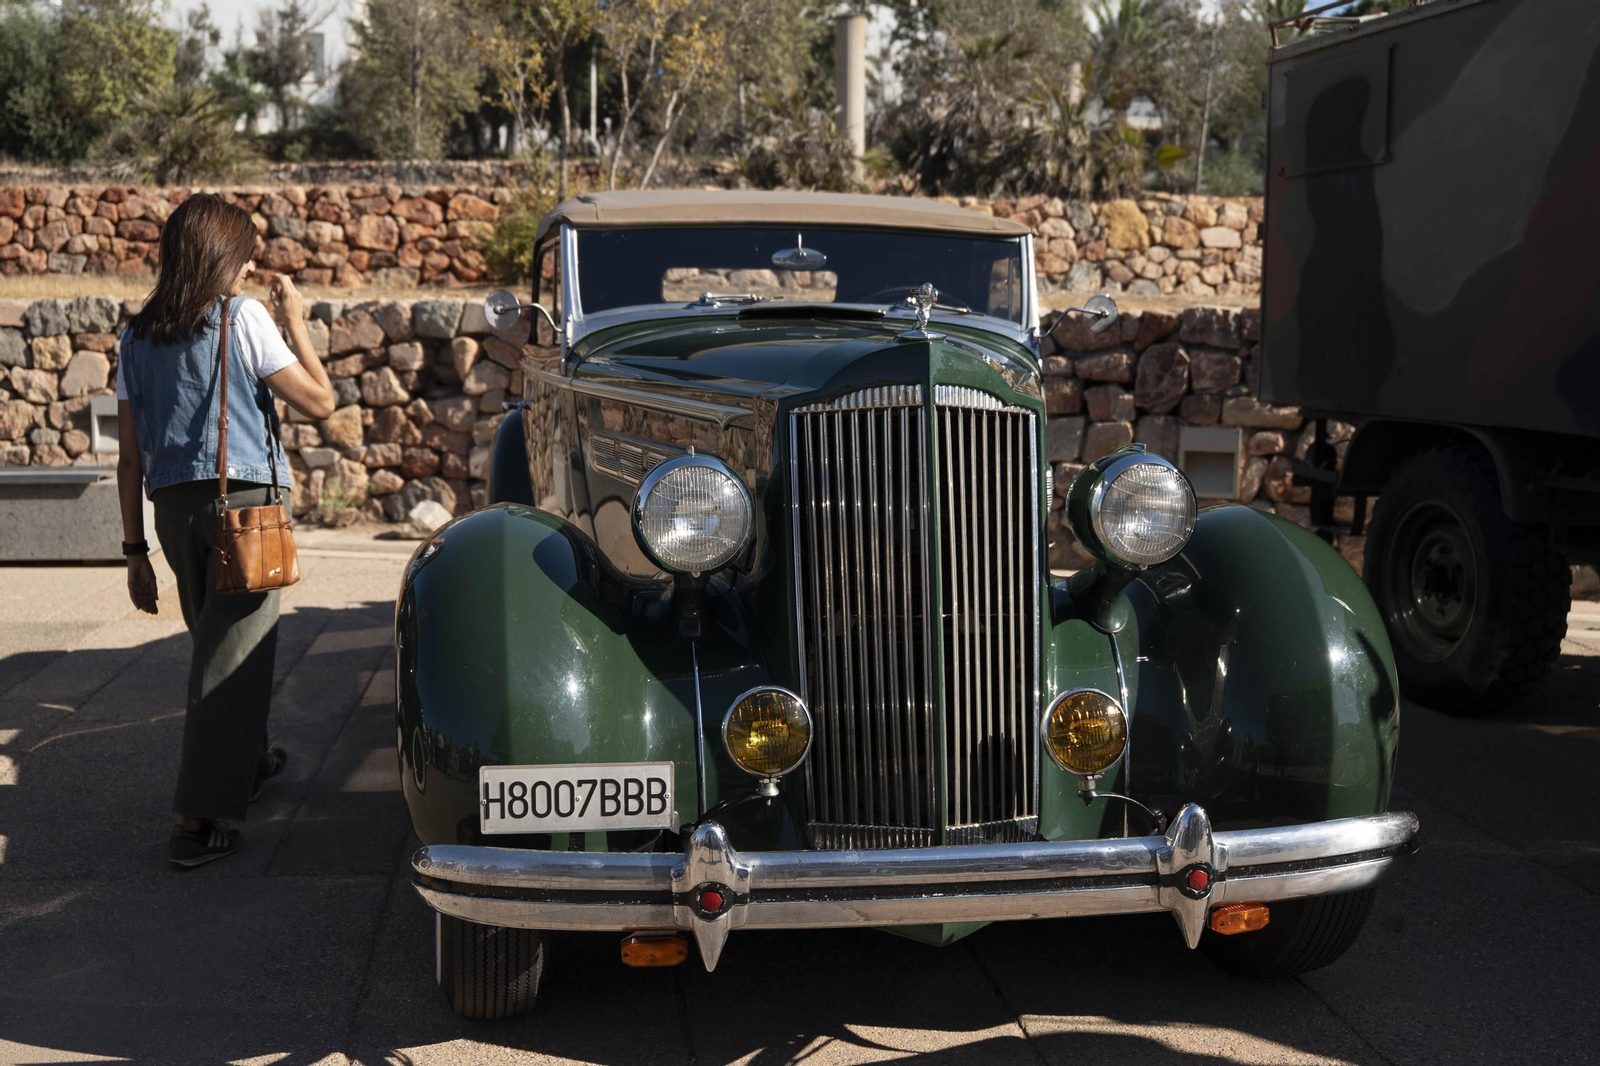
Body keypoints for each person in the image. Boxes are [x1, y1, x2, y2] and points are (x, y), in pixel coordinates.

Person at [115, 193, 335, 868]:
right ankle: (196, 819)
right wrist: (297, 323)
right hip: (245, 506)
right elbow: (322, 403)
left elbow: (128, 459)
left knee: (220, 646)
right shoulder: (243, 318)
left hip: (171, 510)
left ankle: (248, 761)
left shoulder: (136, 335)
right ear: (221, 256)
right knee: (230, 661)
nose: (250, 266)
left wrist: (134, 552)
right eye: (244, 253)